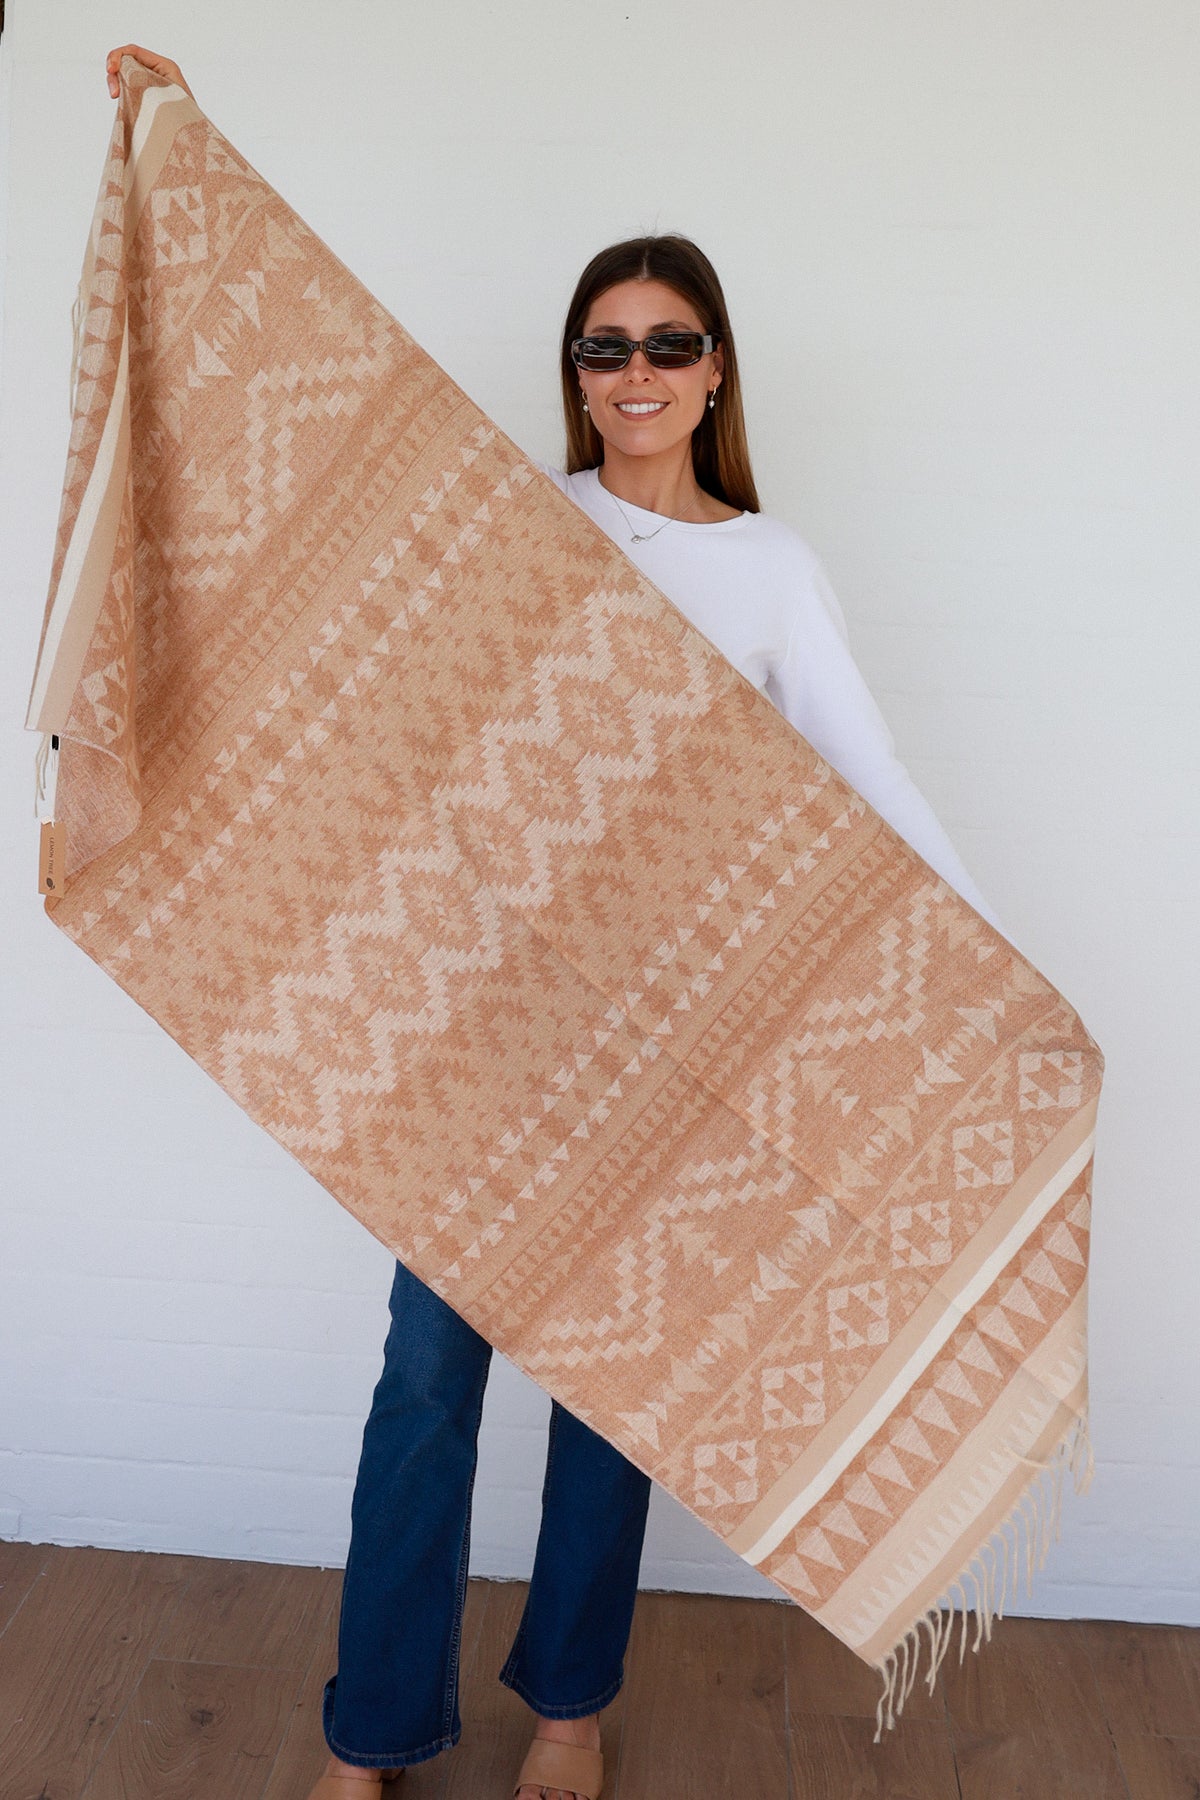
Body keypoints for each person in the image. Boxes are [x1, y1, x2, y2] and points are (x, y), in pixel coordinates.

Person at [104, 46, 1006, 1800]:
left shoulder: (771, 573)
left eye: (670, 344)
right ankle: (372, 1729)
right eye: (607, 347)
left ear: (716, 367)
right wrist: (175, 165)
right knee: (424, 1388)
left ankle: (572, 1712)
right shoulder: (512, 531)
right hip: (482, 1030)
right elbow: (311, 546)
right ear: (577, 373)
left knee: (613, 1403)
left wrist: (991, 977)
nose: (637, 373)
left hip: (664, 1044)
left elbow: (873, 783)